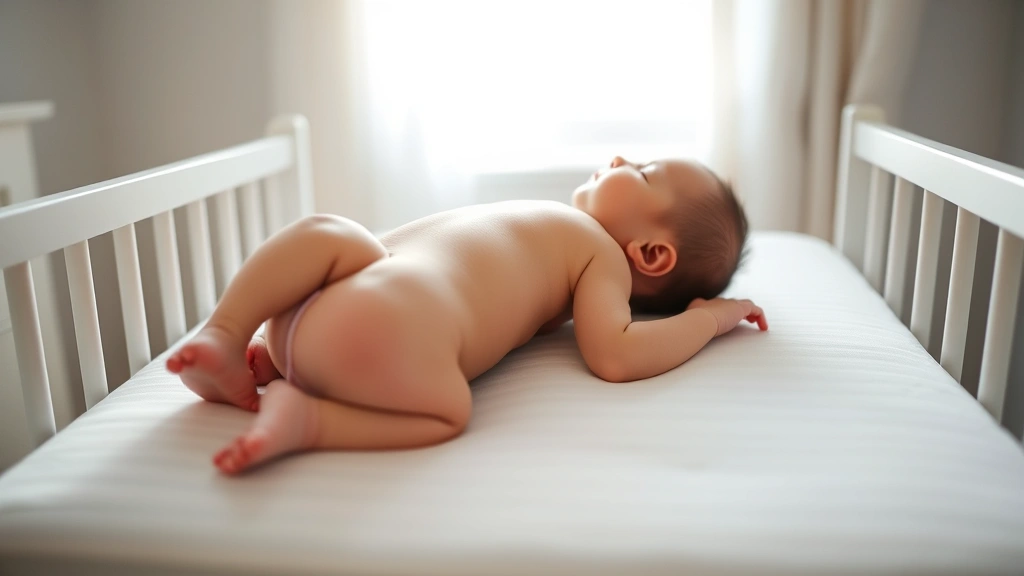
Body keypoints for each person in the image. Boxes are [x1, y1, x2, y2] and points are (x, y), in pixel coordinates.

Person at [166, 156, 767, 475]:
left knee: (329, 231)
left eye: (643, 171)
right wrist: (712, 318)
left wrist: (708, 317)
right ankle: (310, 418)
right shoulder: (578, 246)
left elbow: (617, 355)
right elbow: (614, 350)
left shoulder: (599, 255)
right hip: (378, 332)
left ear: (652, 255)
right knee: (446, 412)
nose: (618, 157)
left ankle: (231, 332)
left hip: (315, 307)